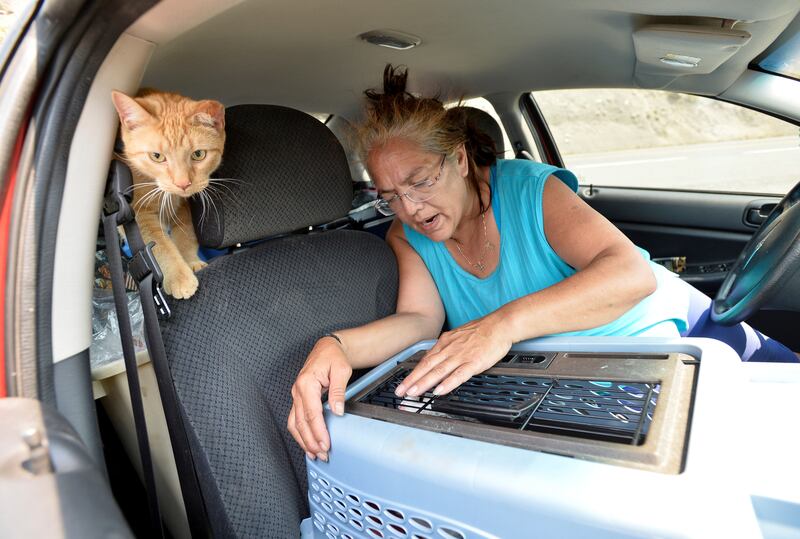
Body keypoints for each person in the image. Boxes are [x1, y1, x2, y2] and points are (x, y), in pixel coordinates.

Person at [288, 65, 797, 462]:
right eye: (390, 196)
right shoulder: (407, 233)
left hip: (678, 340)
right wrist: (335, 346)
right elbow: (419, 320)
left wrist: (501, 325)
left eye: (420, 182)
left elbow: (630, 273)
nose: (411, 209)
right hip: (572, 380)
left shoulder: (529, 188)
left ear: (461, 160)